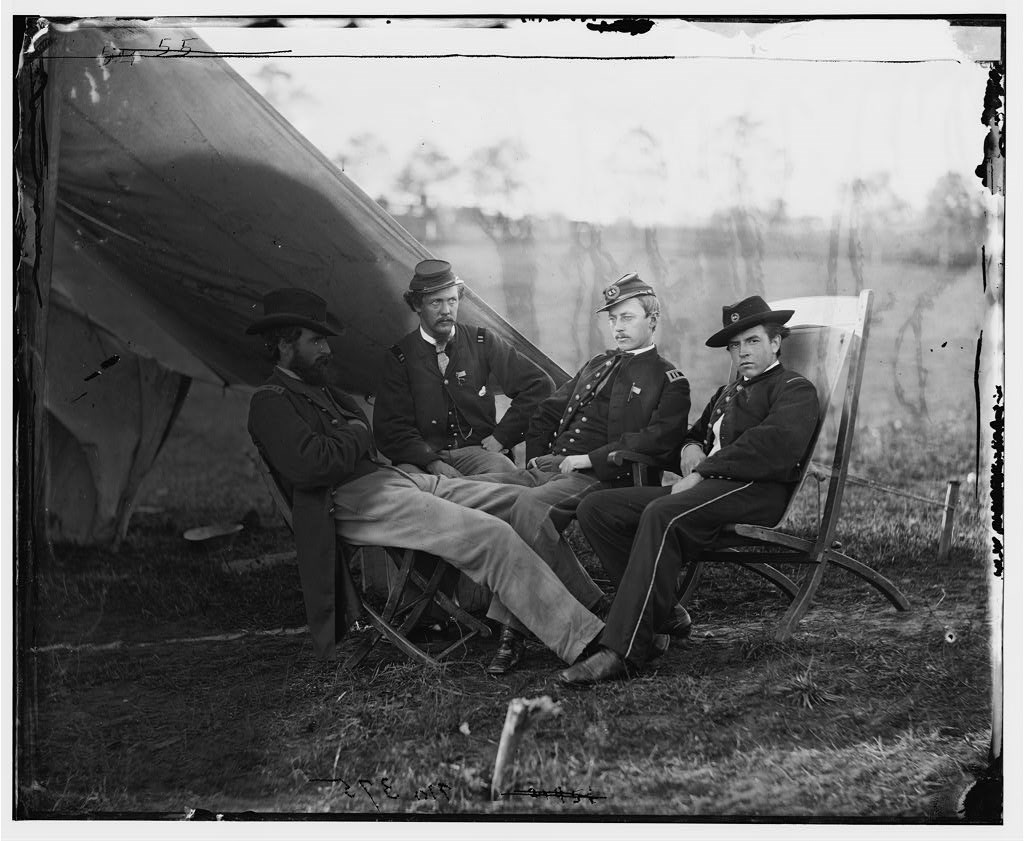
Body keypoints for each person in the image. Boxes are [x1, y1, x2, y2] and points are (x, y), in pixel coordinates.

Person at [245, 288, 603, 666]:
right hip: (355, 502)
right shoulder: (271, 402)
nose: (327, 350)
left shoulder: (318, 389)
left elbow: (351, 435)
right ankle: (584, 640)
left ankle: (594, 603)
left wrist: (352, 433)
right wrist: (355, 432)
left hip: (392, 480)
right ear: (285, 345)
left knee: (523, 502)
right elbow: (317, 464)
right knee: (492, 536)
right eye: (316, 340)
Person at [560, 295, 820, 685]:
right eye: (735, 346)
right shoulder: (727, 393)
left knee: (661, 514)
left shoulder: (794, 389)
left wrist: (703, 471)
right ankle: (661, 612)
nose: (742, 352)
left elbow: (773, 447)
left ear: (775, 342)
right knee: (597, 509)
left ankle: (624, 650)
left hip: (754, 491)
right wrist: (691, 448)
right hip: (709, 490)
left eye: (751, 341)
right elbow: (693, 436)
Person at [481, 272, 692, 675]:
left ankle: (514, 633)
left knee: (528, 510)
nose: (618, 327)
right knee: (480, 496)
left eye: (627, 318)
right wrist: (540, 458)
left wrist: (591, 459)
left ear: (653, 320)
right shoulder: (597, 365)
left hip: (606, 478)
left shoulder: (668, 380)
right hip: (554, 469)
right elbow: (547, 410)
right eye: (613, 319)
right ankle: (597, 603)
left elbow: (657, 440)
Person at [373, 259, 554, 477]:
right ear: (417, 305)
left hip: (479, 454)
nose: (446, 311)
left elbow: (540, 385)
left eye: (452, 300)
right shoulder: (399, 357)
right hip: (422, 459)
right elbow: (391, 427)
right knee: (404, 488)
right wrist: (432, 462)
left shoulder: (482, 341)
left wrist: (502, 437)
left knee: (506, 476)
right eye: (435, 303)